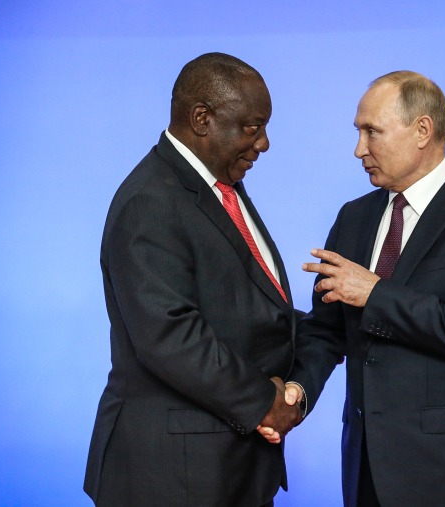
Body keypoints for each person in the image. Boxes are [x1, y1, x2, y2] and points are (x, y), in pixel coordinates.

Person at [263, 71, 445, 506]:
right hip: (366, 470)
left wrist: (376, 294)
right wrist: (298, 391)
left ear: (423, 130)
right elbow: (327, 330)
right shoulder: (353, 217)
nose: (359, 149)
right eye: (358, 132)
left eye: (372, 132)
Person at [84, 52, 301, 507]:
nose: (263, 144)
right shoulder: (150, 201)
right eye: (252, 126)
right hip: (171, 475)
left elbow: (246, 309)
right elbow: (169, 336)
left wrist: (304, 370)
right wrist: (267, 400)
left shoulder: (220, 189)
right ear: (202, 119)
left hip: (228, 467)